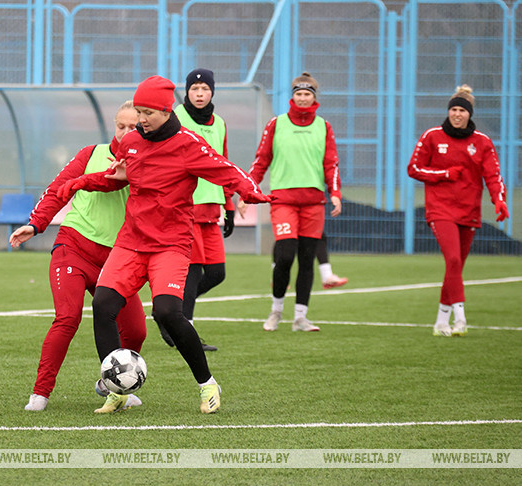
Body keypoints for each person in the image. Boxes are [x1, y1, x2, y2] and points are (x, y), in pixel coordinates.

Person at [57, 75, 272, 414]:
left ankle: (207, 384)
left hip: (170, 244)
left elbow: (226, 170)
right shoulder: (133, 143)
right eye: (137, 111)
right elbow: (118, 178)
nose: (140, 120)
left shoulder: (189, 144)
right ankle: (117, 390)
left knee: (167, 313)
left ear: (165, 109)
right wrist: (79, 183)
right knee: (103, 304)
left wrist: (251, 191)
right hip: (131, 241)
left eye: (146, 113)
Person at [10, 101, 146, 412]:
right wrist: (36, 223)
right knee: (67, 318)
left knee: (137, 330)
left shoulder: (148, 162)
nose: (126, 133)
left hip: (117, 260)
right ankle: (40, 393)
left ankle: (111, 383)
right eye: (121, 126)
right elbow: (59, 188)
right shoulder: (90, 154)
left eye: (134, 127)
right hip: (73, 248)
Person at [407, 84, 507, 337]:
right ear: (448, 111)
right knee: (452, 260)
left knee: (455, 268)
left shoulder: (482, 142)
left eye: (462, 110)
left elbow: (493, 175)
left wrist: (499, 200)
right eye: (454, 109)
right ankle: (460, 317)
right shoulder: (432, 136)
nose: (457, 114)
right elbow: (414, 168)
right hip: (440, 210)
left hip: (469, 211)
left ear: (469, 114)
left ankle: (441, 321)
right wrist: (444, 174)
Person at [245, 72, 342, 332]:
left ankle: (300, 317)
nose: (302, 98)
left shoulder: (324, 126)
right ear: (292, 97)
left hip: (312, 202)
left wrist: (335, 193)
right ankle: (276, 311)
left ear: (314, 98)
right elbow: (261, 160)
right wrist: (247, 190)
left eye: (307, 94)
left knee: (307, 259)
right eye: (298, 94)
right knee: (286, 254)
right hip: (283, 201)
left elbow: (330, 163)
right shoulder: (276, 124)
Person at [154, 68, 235, 352]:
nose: (199, 95)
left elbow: (223, 163)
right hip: (185, 206)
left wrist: (230, 204)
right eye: (194, 90)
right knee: (191, 272)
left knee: (216, 273)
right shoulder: (175, 118)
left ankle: (167, 313)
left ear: (212, 92)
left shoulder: (220, 123)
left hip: (212, 208)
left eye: (205, 90)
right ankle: (181, 327)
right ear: (186, 93)